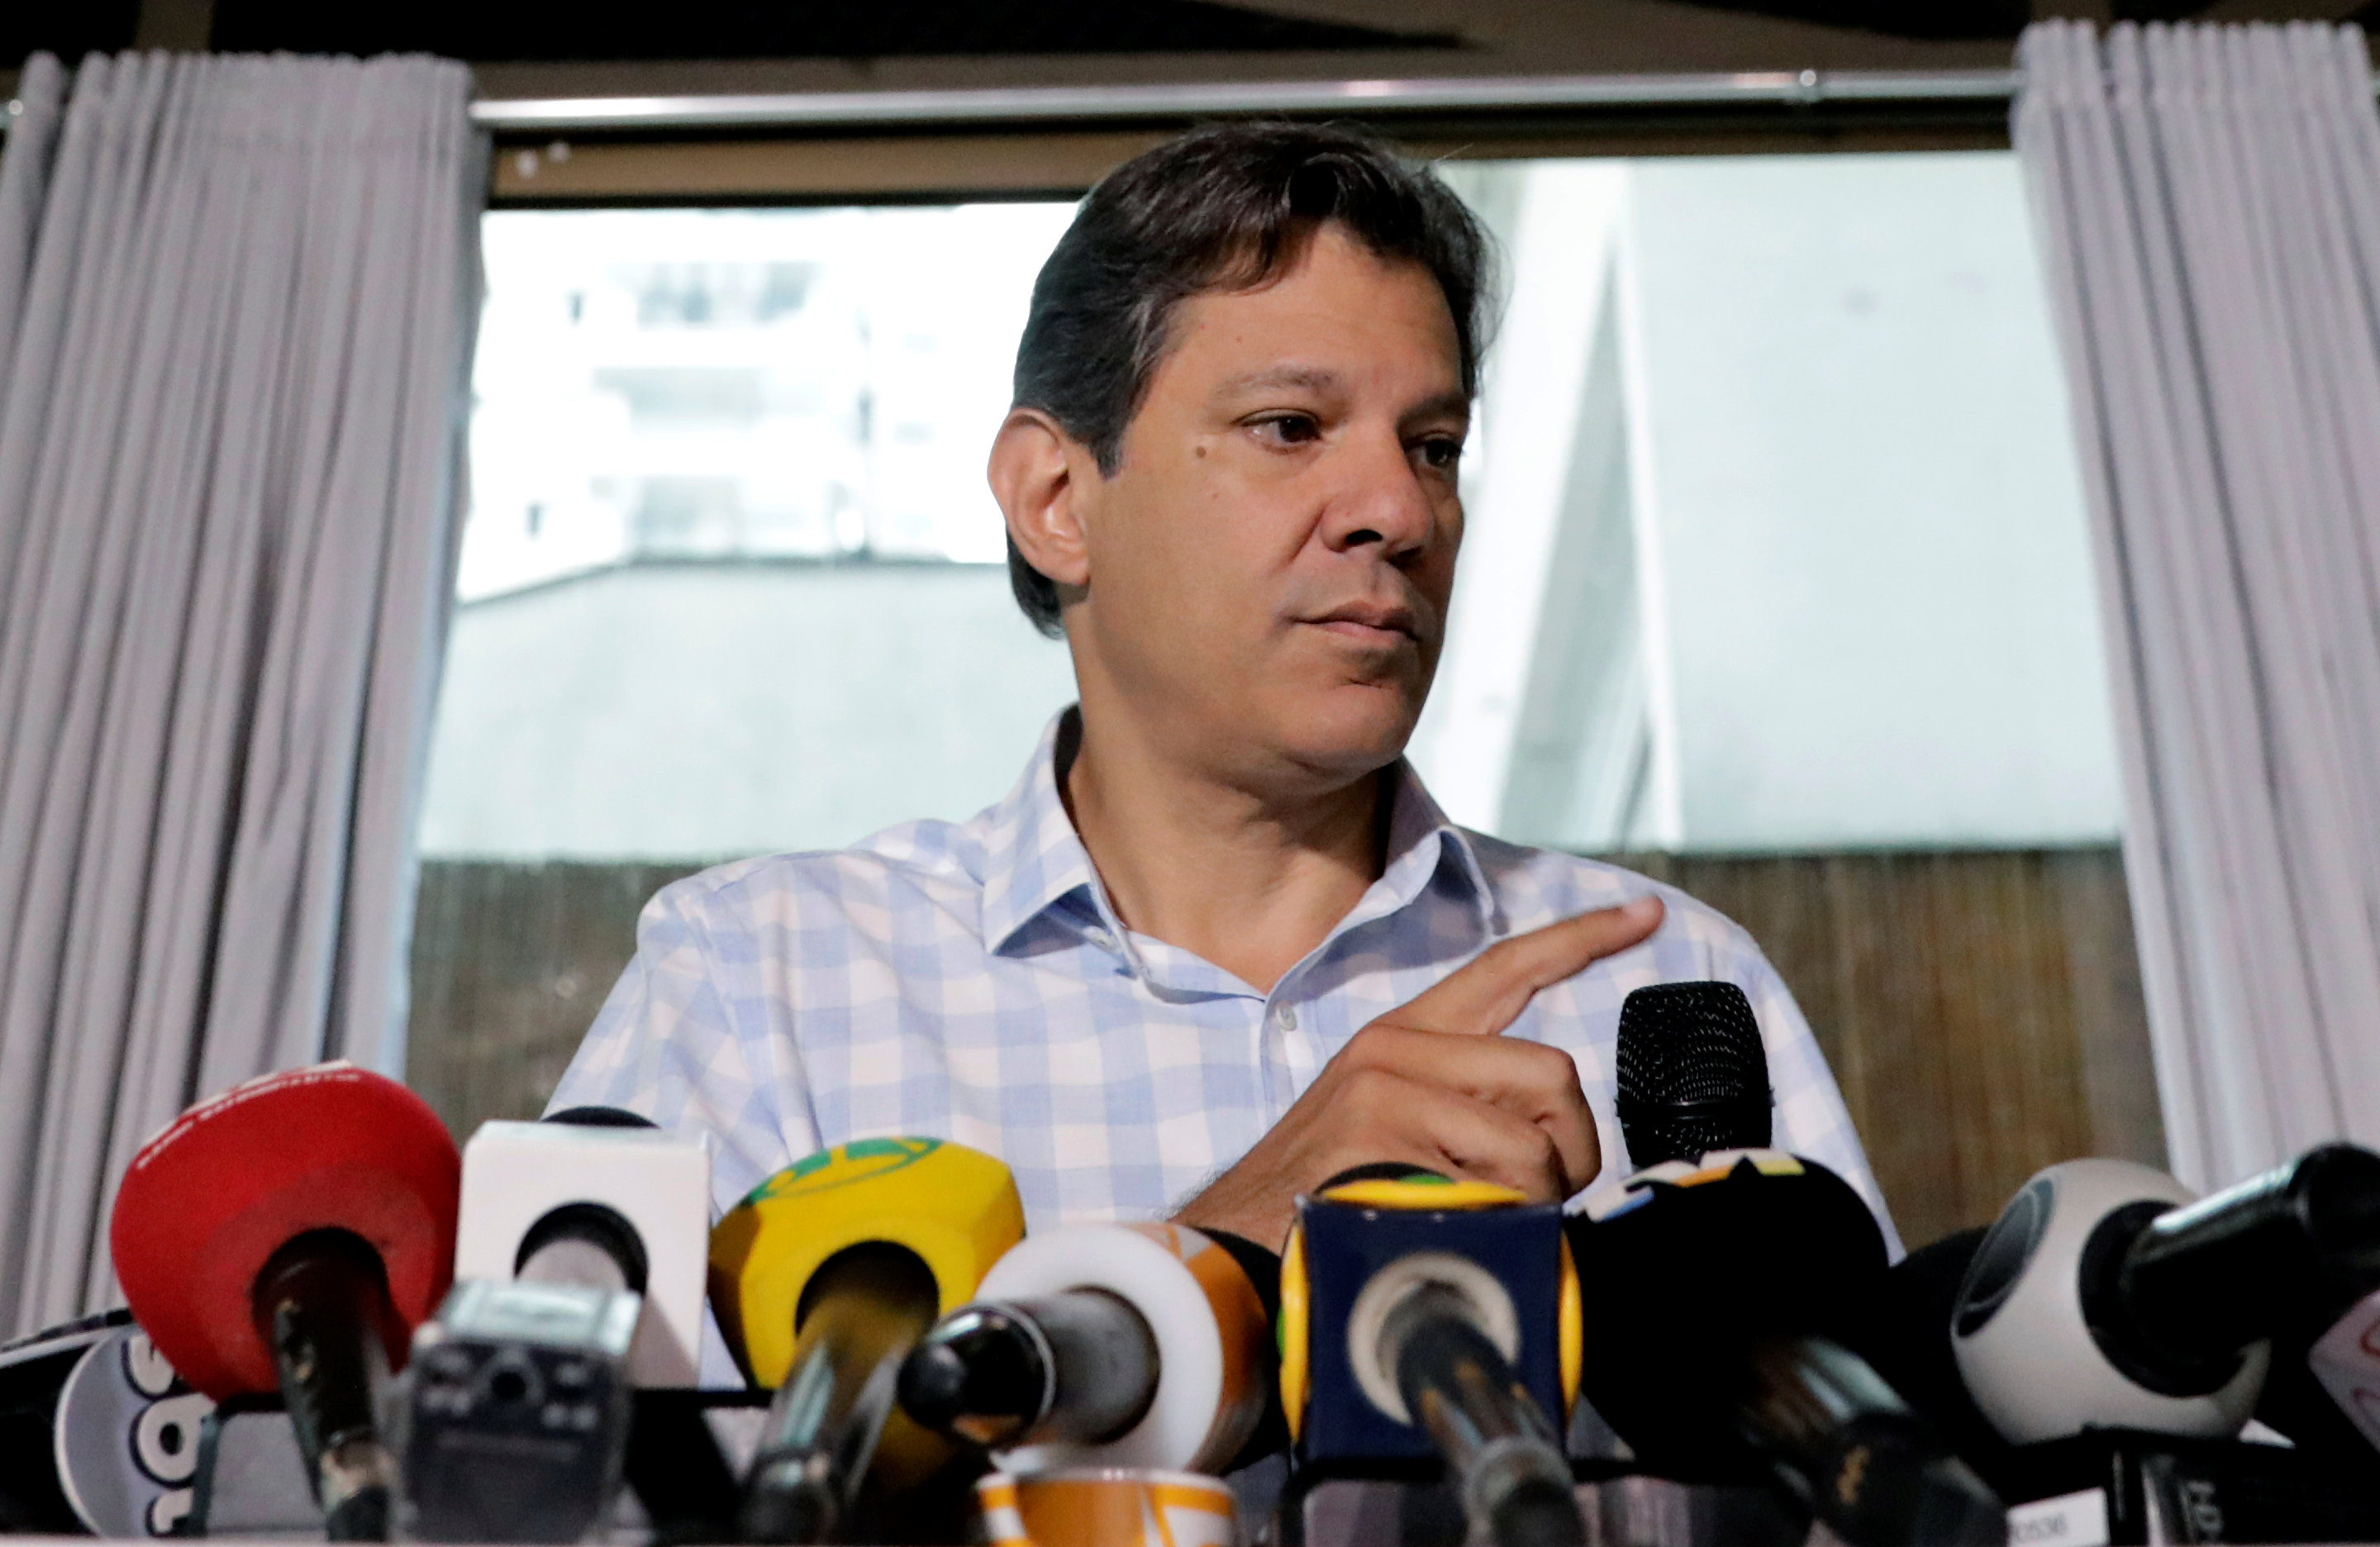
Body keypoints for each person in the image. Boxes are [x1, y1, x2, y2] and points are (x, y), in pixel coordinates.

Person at [548, 121, 1892, 1258]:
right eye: (1289, 428)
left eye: (1432, 446)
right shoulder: (761, 983)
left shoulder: (1672, 989)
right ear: (1058, 500)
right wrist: (1246, 1227)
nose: (1396, 511)